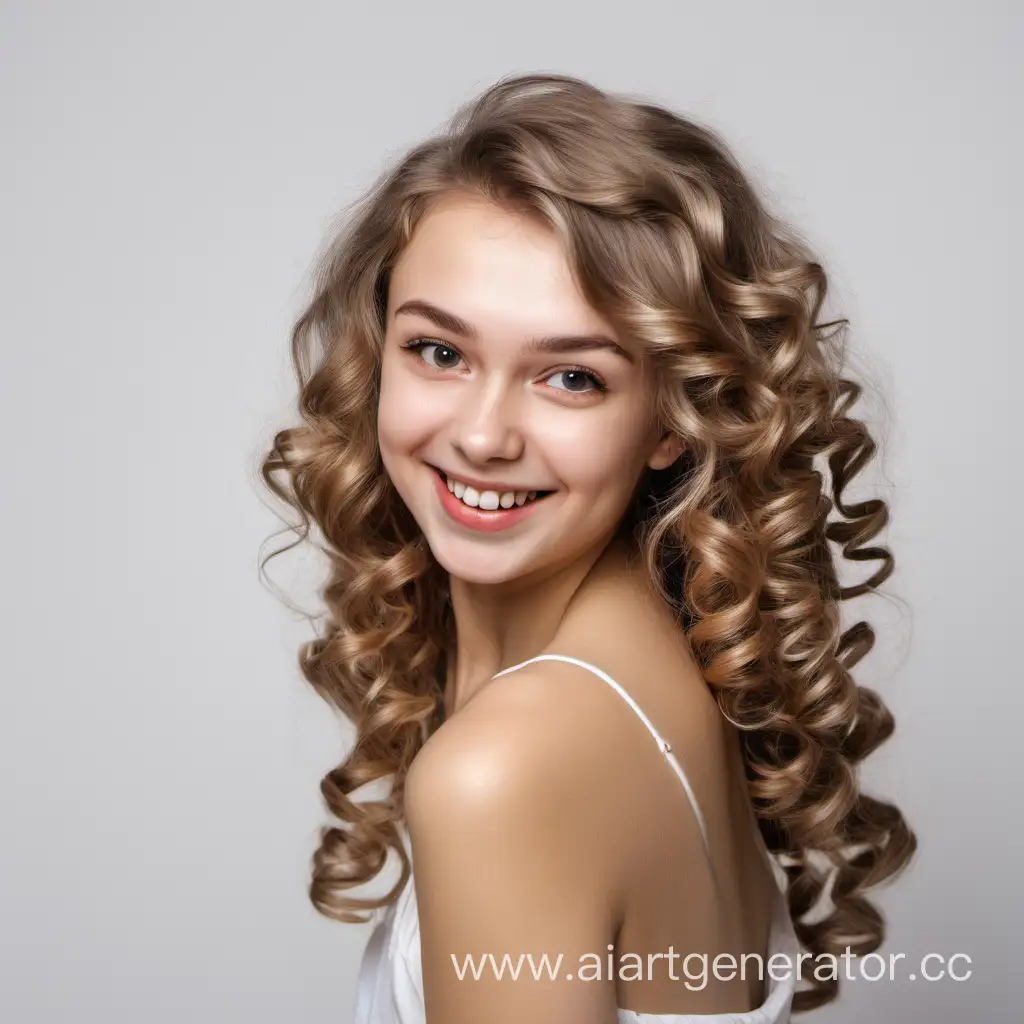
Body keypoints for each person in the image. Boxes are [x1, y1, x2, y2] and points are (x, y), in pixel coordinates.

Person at [260, 72, 916, 1023]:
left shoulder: (513, 766)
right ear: (374, 357)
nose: (484, 436)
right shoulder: (656, 655)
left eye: (570, 377)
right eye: (439, 352)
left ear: (671, 421)